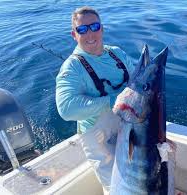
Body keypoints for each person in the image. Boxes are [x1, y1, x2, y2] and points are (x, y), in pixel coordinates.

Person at [55, 6, 134, 194]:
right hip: (98, 136)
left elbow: (137, 80)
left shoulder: (117, 54)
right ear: (74, 34)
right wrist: (115, 100)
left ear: (102, 28)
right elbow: (66, 109)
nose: (89, 33)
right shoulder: (72, 67)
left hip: (129, 125)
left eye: (94, 26)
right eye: (82, 29)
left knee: (145, 176)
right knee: (118, 187)